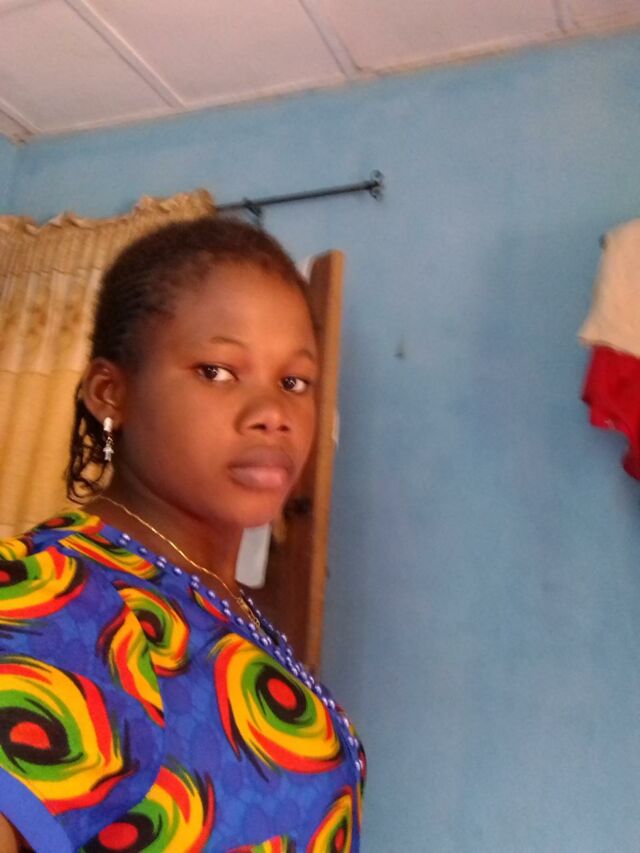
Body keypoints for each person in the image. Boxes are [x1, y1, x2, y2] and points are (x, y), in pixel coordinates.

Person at [0, 217, 365, 852]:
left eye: (294, 382)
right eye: (217, 371)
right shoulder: (46, 600)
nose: (273, 414)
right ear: (111, 393)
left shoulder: (215, 596)